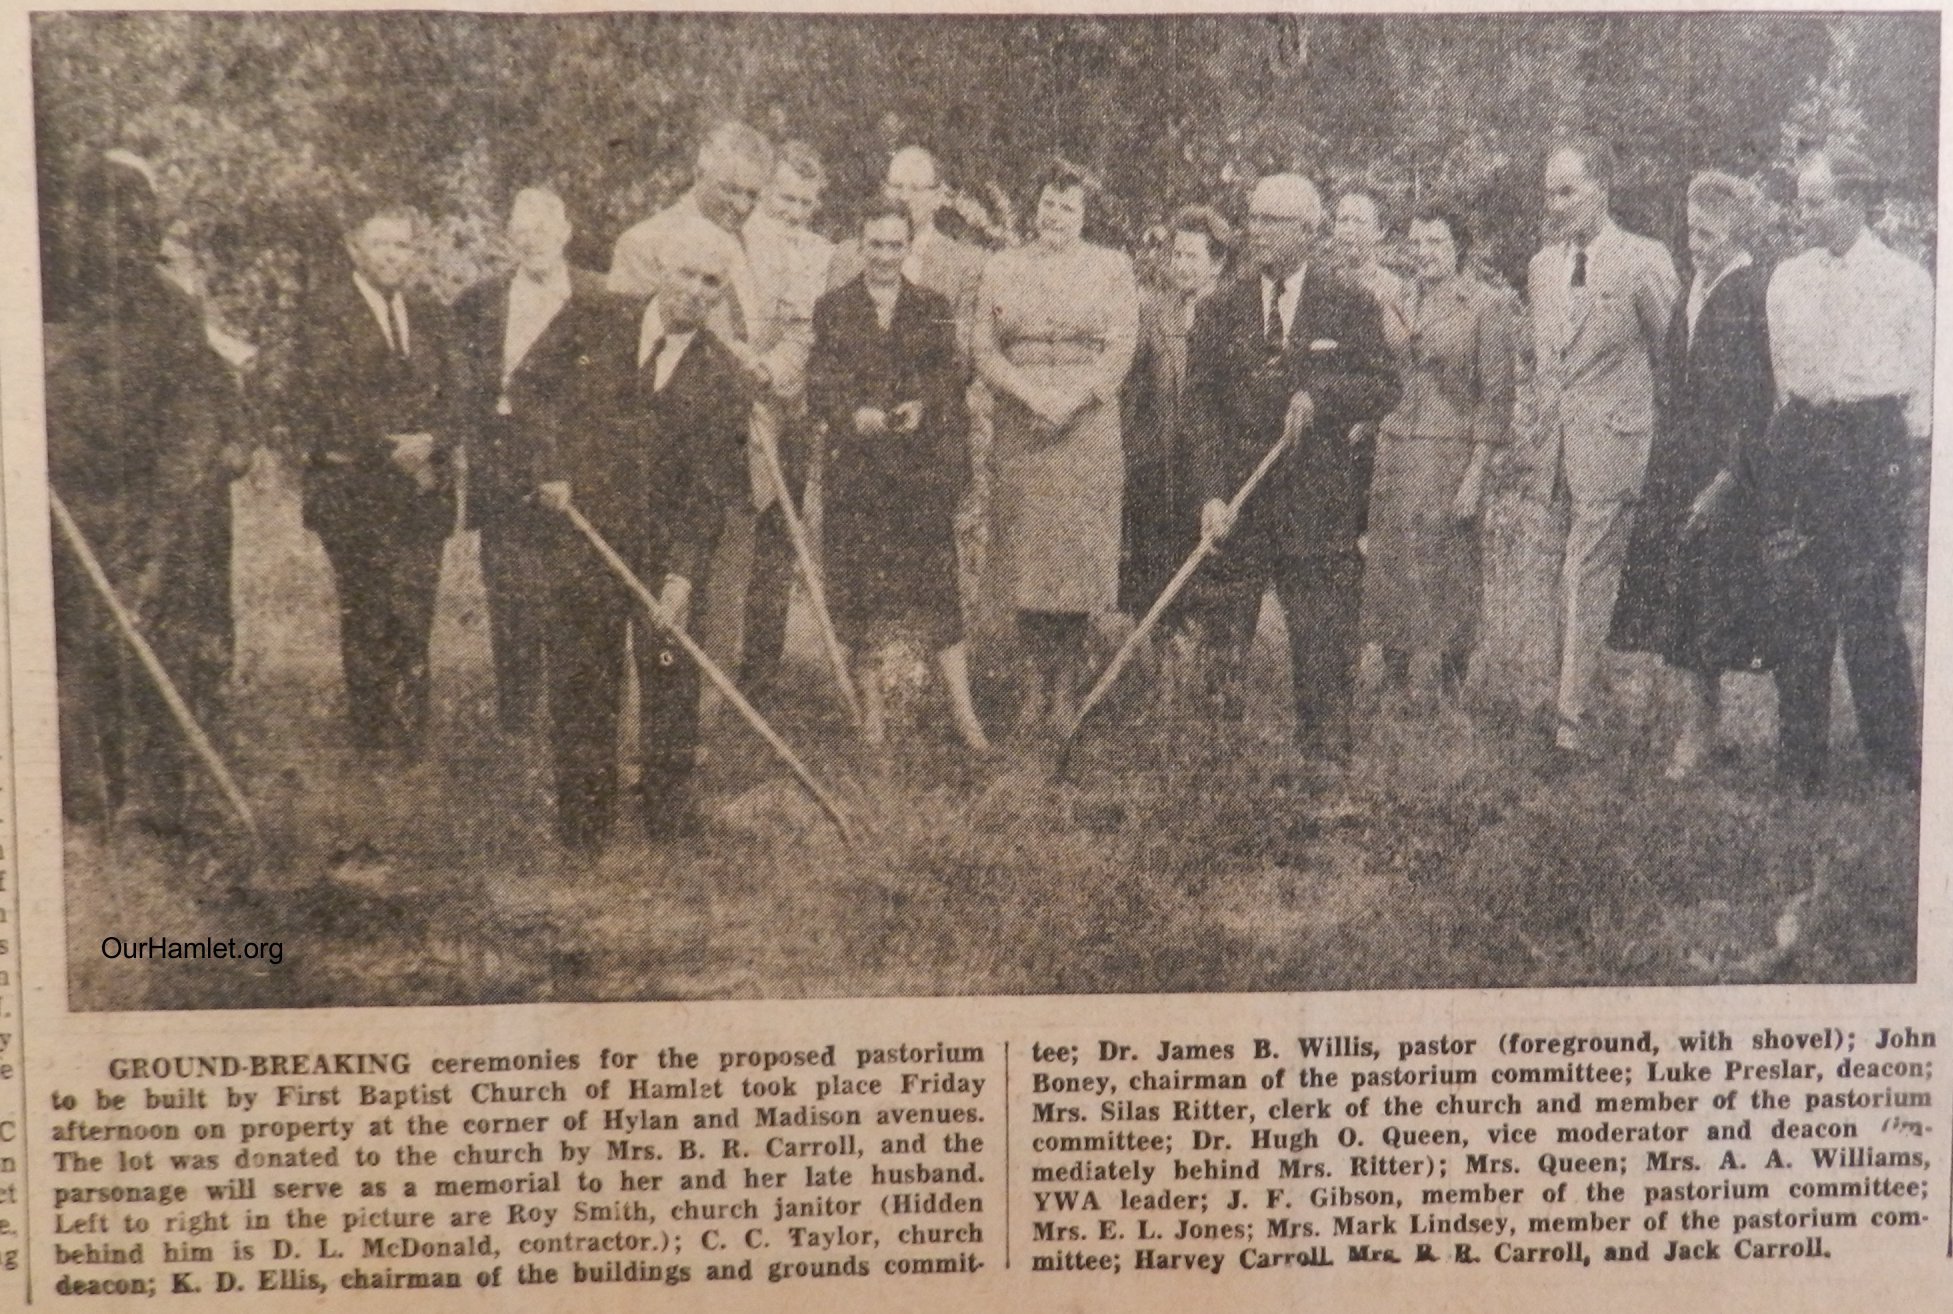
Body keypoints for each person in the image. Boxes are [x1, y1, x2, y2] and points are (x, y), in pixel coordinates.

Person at [536, 217, 751, 851]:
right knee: (583, 677)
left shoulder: (724, 378)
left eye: (711, 282)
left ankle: (667, 824)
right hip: (585, 536)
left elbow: (712, 493)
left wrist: (683, 576)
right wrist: (549, 467)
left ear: (721, 294)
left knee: (668, 676)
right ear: (661, 272)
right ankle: (583, 828)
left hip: (663, 557)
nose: (695, 290)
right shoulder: (594, 319)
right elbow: (532, 389)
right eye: (686, 273)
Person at [46, 149, 244, 833]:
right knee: (68, 654)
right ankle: (81, 798)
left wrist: (155, 548)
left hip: (149, 511)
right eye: (84, 225)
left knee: (156, 642)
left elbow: (189, 433)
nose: (99, 242)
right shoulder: (38, 304)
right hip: (60, 512)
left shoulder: (171, 313)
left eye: (126, 229)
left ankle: (159, 803)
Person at [1185, 172, 1400, 765]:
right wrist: (1209, 494)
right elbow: (1198, 407)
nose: (1256, 231)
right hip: (1238, 506)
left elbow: (1384, 384)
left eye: (1272, 221)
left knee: (1322, 642)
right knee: (1222, 642)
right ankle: (1213, 771)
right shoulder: (1218, 307)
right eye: (1253, 218)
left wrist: (1320, 396)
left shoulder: (1350, 303)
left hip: (1316, 505)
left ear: (1308, 231)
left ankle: (1324, 769)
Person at [1756, 144, 1931, 792]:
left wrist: (1896, 463)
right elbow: (1783, 372)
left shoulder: (1905, 280)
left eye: (1817, 200)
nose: (1804, 213)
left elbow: (1921, 384)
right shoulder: (1787, 278)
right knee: (1798, 601)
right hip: (1804, 435)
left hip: (1870, 442)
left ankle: (1894, 758)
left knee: (1868, 601)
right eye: (1800, 200)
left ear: (1854, 201)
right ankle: (1798, 762)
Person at [1608, 172, 1775, 779]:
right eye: (1690, 232)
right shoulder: (1691, 290)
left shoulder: (1756, 292)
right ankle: (1693, 732)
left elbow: (1761, 399)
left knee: (1721, 606)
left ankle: (1713, 737)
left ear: (1736, 233)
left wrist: (1729, 477)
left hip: (1728, 472)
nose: (1695, 244)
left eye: (1707, 234)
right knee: (1680, 605)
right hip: (1679, 462)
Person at [808, 200, 990, 751]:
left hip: (915, 474)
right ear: (860, 246)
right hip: (857, 474)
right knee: (859, 592)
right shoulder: (834, 307)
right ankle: (872, 717)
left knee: (936, 591)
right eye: (875, 245)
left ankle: (965, 715)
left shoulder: (931, 306)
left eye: (895, 245)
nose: (885, 256)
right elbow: (821, 382)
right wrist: (850, 413)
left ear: (909, 247)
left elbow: (948, 380)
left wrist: (922, 407)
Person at [1519, 136, 1679, 756]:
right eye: (1549, 192)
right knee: (1555, 574)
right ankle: (1560, 695)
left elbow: (1674, 358)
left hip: (1614, 446)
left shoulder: (1643, 259)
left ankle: (1573, 719)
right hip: (1552, 451)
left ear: (1601, 191)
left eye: (1568, 191)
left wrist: (1659, 441)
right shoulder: (1540, 267)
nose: (1555, 204)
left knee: (1588, 574)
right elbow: (1541, 362)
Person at [974, 161, 1139, 734]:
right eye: (1048, 203)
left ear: (1085, 215)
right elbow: (985, 350)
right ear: (1033, 208)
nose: (1056, 216)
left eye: (1069, 207)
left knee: (1072, 560)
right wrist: (1029, 396)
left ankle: (1066, 685)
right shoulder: (1003, 266)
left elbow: (1120, 350)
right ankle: (1030, 685)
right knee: (1025, 555)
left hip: (1085, 425)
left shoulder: (1112, 267)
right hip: (1022, 423)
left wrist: (1067, 403)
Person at [292, 196, 457, 758]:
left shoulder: (430, 313)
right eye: (381, 243)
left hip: (423, 492)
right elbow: (327, 399)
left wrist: (434, 440)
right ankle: (373, 738)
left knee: (415, 608)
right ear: (354, 248)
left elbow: (461, 395)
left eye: (403, 245)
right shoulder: (323, 313)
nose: (393, 256)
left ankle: (410, 738)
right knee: (368, 611)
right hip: (356, 492)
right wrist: (394, 449)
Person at [452, 188, 617, 734]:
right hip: (505, 461)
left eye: (544, 229)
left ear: (566, 232)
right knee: (512, 588)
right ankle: (518, 719)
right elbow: (465, 392)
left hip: (580, 459)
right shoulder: (480, 300)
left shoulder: (600, 296)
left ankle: (575, 711)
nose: (533, 240)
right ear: (510, 238)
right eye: (522, 231)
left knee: (578, 585)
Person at [1362, 205, 1516, 709]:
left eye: (1437, 244)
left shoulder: (1486, 305)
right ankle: (1395, 676)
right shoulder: (1395, 297)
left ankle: (1451, 685)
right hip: (1396, 443)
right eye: (1419, 243)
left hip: (1449, 450)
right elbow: (1381, 372)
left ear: (1458, 250)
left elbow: (1496, 399)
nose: (1425, 254)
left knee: (1449, 565)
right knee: (1390, 561)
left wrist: (1476, 474)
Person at [738, 141, 836, 696]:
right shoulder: (738, 240)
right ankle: (708, 660)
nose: (794, 213)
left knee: (779, 541)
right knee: (727, 536)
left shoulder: (822, 255)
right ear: (765, 193)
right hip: (731, 409)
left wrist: (774, 375)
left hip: (789, 409)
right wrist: (746, 371)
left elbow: (812, 334)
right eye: (785, 199)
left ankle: (759, 675)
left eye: (806, 203)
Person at [1120, 204, 1231, 629]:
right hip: (1155, 466)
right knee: (1152, 575)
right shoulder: (1152, 313)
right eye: (1176, 255)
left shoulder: (1231, 314)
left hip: (1207, 469)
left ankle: (1202, 672)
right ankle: (1158, 667)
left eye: (1192, 257)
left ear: (1216, 263)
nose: (1180, 266)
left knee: (1204, 579)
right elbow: (1133, 390)